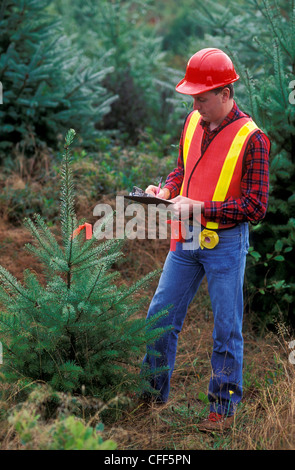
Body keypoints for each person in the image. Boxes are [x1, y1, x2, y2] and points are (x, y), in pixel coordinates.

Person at [140, 48, 270, 432]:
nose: (196, 106)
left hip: (225, 245)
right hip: (185, 242)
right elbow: (182, 169)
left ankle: (222, 413)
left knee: (226, 329)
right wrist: (165, 190)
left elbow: (255, 207)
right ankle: (151, 397)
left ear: (226, 93)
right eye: (192, 98)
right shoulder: (193, 122)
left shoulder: (253, 139)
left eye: (202, 98)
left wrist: (199, 208)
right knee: (159, 318)